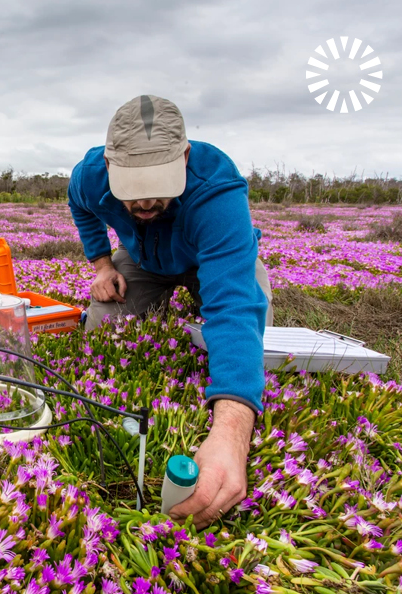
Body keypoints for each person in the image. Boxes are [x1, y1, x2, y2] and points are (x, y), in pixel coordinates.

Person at [66, 94, 272, 527]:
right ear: (109, 165)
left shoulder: (215, 185)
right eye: (132, 191)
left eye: (158, 187)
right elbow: (81, 208)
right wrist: (102, 265)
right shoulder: (88, 176)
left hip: (209, 260)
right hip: (143, 259)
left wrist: (232, 431)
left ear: (184, 157)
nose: (144, 204)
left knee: (254, 322)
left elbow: (233, 305)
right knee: (101, 327)